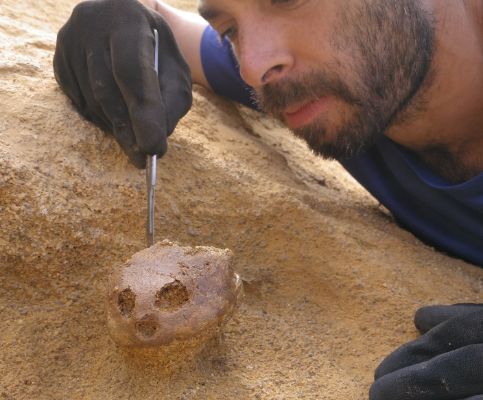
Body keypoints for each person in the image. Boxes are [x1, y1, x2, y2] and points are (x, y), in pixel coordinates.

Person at [53, 0, 483, 398]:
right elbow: (156, 28)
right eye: (230, 30)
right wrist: (114, 16)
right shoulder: (335, 78)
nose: (254, 67)